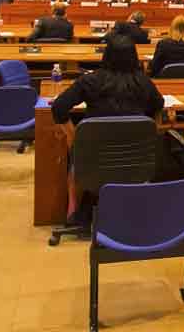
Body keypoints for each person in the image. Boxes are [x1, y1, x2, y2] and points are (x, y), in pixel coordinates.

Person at [52, 33, 165, 222]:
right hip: (135, 157)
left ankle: (73, 211)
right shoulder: (144, 83)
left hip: (94, 155)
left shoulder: (90, 81)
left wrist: (74, 137)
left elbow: (58, 108)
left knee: (74, 156)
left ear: (106, 55)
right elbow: (158, 107)